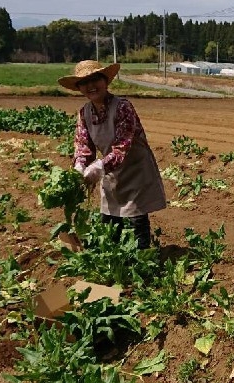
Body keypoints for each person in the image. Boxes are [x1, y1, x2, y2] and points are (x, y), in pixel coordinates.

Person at [58, 60, 166, 249]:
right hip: (111, 174)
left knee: (135, 223)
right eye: (84, 82)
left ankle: (141, 264)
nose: (90, 86)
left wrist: (99, 167)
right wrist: (80, 165)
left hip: (136, 172)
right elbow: (83, 146)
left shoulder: (123, 107)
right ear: (79, 88)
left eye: (95, 79)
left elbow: (121, 147)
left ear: (105, 81)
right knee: (110, 225)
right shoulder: (85, 113)